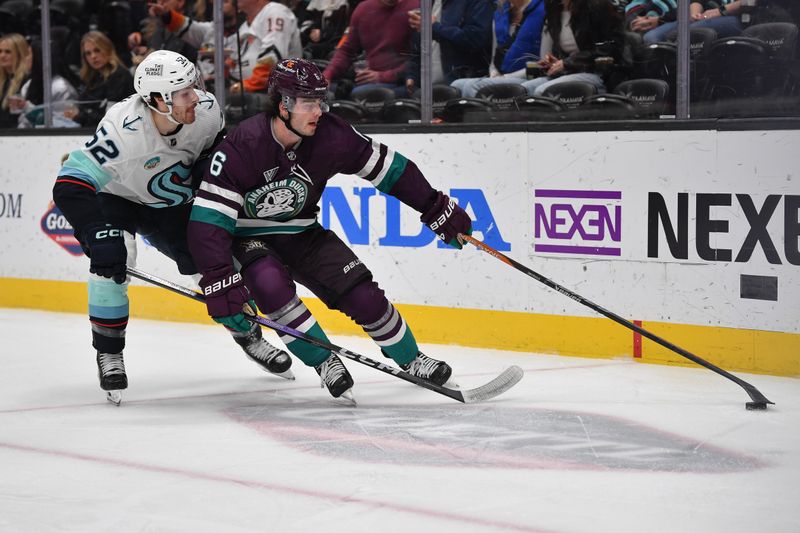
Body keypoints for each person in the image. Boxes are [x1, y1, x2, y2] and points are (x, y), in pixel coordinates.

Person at [186, 59, 473, 403]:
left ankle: (412, 359)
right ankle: (325, 361)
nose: (318, 111)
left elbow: (391, 169)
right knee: (270, 285)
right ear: (283, 105)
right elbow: (207, 221)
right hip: (249, 237)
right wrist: (218, 276)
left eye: (320, 101)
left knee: (364, 296)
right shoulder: (242, 144)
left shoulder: (333, 135)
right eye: (308, 103)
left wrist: (433, 205)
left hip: (303, 232)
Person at [52, 50, 292, 404]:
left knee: (215, 266)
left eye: (193, 86)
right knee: (111, 267)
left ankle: (250, 336)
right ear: (155, 100)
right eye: (183, 93)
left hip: (172, 203)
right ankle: (109, 351)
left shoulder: (207, 111)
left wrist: (208, 168)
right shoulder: (122, 132)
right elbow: (69, 184)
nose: (195, 96)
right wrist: (94, 231)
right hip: (118, 199)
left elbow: (216, 152)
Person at [153, 0, 302, 93]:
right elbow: (236, 62)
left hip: (275, 95)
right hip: (243, 91)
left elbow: (271, 60)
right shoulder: (247, 25)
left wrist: (243, 87)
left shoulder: (275, 12)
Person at [520, 0, 630, 96]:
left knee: (542, 91)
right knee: (523, 91)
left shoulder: (599, 7)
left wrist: (567, 63)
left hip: (600, 73)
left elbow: (610, 49)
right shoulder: (554, 9)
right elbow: (568, 53)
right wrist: (556, 62)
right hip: (570, 72)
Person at [323, 0, 420, 99]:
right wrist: (327, 75)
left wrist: (383, 76)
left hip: (405, 81)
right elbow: (347, 51)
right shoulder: (363, 9)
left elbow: (419, 58)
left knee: (360, 94)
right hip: (371, 80)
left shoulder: (416, 7)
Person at [449, 0, 546, 98]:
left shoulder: (544, 9)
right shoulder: (500, 13)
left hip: (530, 76)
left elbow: (544, 64)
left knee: (473, 87)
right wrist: (494, 73)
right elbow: (494, 57)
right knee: (457, 85)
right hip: (503, 75)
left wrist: (506, 77)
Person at [404, 0, 493, 94]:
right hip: (426, 89)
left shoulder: (477, 2)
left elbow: (476, 39)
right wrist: (412, 75)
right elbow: (417, 48)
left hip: (461, 87)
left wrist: (434, 28)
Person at [62, 31, 135, 128]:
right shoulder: (92, 77)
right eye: (88, 53)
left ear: (107, 50)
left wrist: (78, 116)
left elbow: (110, 119)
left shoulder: (119, 76)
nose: (93, 56)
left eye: (97, 50)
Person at [12, 39, 80, 128]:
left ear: (39, 57)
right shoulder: (28, 85)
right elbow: (23, 122)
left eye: (29, 54)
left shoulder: (61, 87)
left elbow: (62, 122)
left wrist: (27, 107)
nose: (26, 58)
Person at [0, 33, 31, 129]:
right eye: (0, 51)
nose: (2, 55)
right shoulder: (4, 80)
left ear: (19, 54)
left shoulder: (27, 81)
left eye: (8, 52)